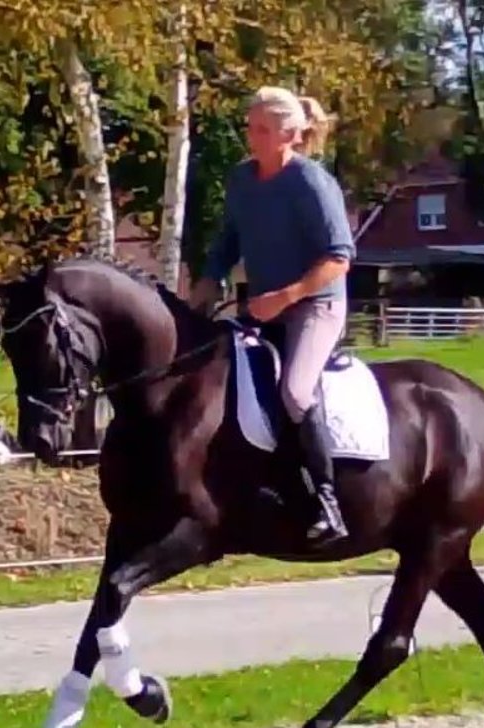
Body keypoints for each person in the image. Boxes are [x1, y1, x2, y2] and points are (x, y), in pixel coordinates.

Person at [191, 86, 355, 545]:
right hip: (264, 308)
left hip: (315, 306)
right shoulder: (243, 179)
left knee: (296, 392)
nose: (251, 135)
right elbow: (229, 239)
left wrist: (285, 296)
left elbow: (339, 258)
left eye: (261, 128)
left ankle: (327, 502)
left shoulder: (311, 182)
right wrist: (208, 282)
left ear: (288, 135)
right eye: (250, 125)